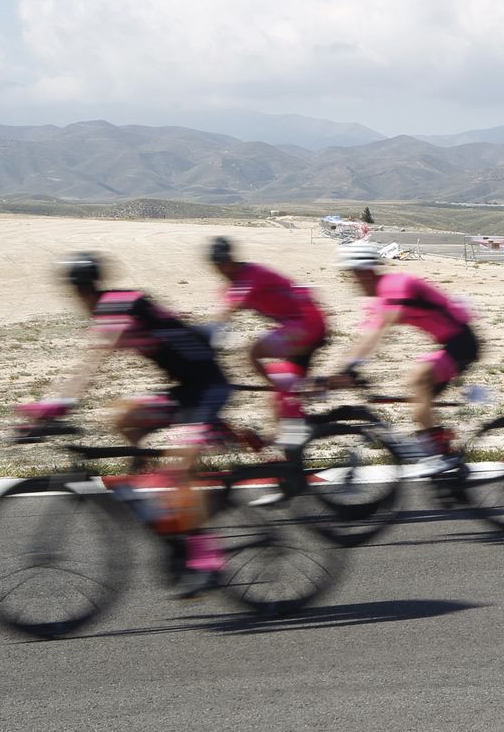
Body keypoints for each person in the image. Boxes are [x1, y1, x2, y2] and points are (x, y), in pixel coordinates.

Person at [20, 253, 233, 597]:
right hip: (185, 390)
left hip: (210, 389)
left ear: (78, 291)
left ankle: (206, 557)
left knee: (179, 467)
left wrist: (54, 405)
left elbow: (92, 362)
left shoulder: (119, 307)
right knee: (122, 418)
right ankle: (162, 503)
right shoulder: (112, 306)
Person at [325, 241, 480, 471]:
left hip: (463, 341)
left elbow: (380, 330)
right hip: (448, 344)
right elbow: (363, 340)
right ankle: (443, 455)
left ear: (364, 273)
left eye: (352, 276)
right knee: (419, 411)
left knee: (418, 378)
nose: (352, 282)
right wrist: (340, 372)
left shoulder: (398, 285)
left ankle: (444, 456)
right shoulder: (377, 302)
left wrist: (349, 369)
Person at [205, 236, 327, 447]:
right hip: (297, 324)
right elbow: (223, 315)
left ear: (231, 260)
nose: (222, 269)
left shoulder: (252, 276)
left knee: (253, 353)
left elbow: (228, 312)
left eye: (224, 263)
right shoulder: (233, 285)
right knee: (279, 398)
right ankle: (292, 449)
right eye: (218, 265)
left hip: (307, 323)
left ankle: (300, 392)